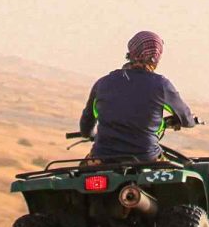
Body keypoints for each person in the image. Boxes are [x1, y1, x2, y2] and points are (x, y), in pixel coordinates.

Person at [79, 31, 196, 161]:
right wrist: (175, 121)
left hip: (103, 158)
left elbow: (86, 126)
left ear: (131, 53)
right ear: (157, 58)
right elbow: (187, 120)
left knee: (81, 175)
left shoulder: (103, 83)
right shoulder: (161, 85)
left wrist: (90, 134)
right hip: (146, 159)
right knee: (178, 171)